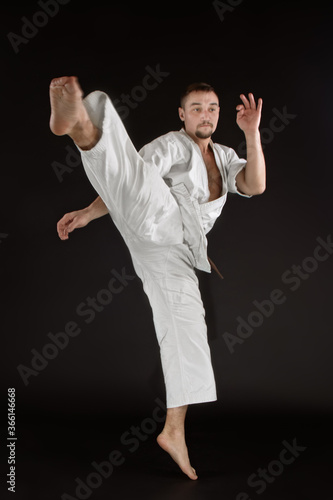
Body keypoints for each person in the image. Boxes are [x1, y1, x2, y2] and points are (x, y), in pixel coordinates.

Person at [50, 76, 266, 480]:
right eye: (197, 107)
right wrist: (86, 213)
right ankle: (80, 124)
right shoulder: (172, 144)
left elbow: (255, 184)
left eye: (213, 108)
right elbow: (131, 179)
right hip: (156, 216)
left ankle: (173, 431)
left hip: (177, 252)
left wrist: (252, 133)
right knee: (134, 178)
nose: (206, 114)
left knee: (188, 332)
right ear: (182, 115)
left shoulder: (225, 155)